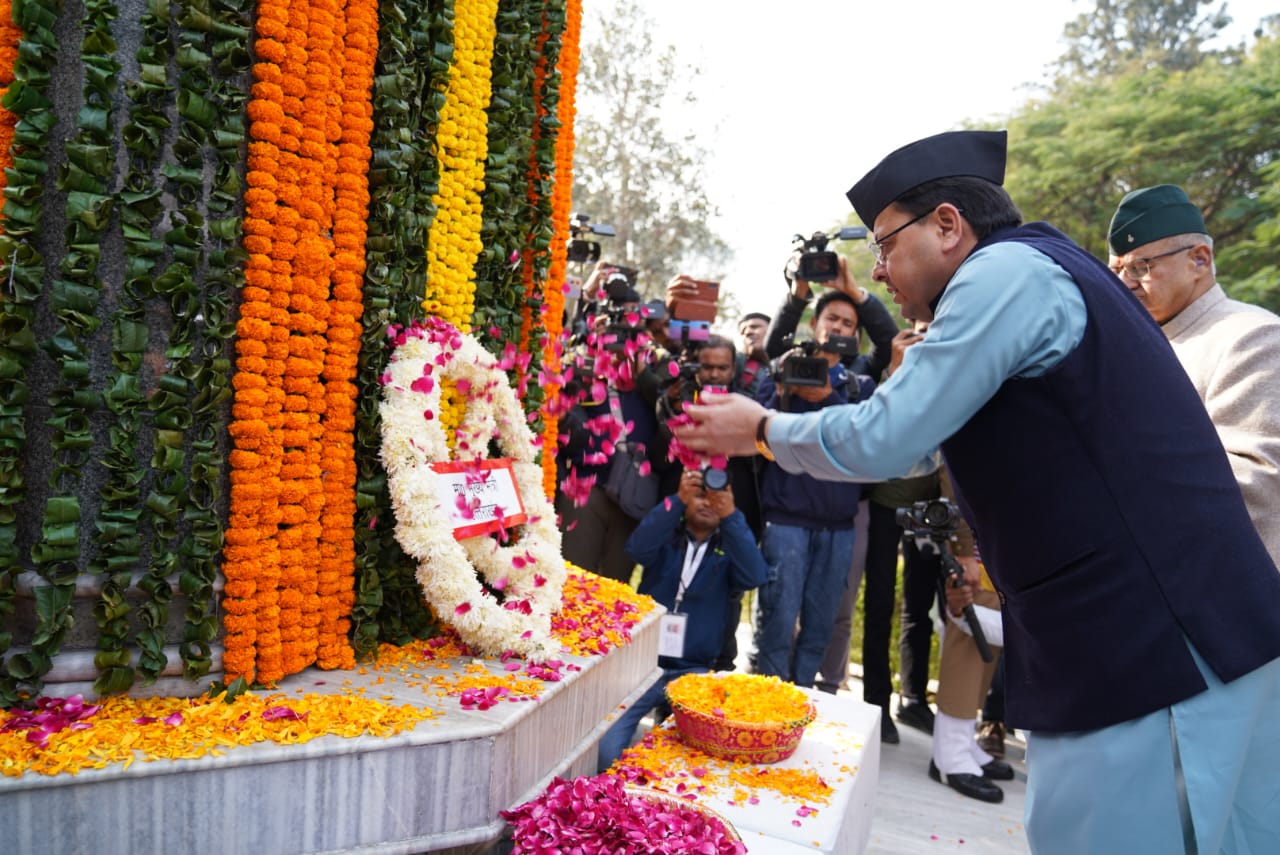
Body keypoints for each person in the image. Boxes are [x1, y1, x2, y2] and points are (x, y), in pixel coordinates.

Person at [674, 129, 1280, 853]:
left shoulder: (1005, 274)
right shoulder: (1031, 274)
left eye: (885, 244)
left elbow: (889, 436)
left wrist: (763, 429)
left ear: (949, 225)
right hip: (1148, 644)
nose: (879, 268)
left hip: (1157, 653)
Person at [1108, 184, 1280, 569]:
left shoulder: (1250, 336)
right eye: (1116, 270)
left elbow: (1255, 484)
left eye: (1141, 267)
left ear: (1199, 260)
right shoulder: (1141, 345)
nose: (1124, 284)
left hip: (1238, 593)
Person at [595, 468, 768, 771]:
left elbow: (755, 575)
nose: (706, 503)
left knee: (680, 761)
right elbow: (636, 548)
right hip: (644, 666)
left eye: (716, 499)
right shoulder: (666, 537)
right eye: (699, 495)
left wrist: (731, 517)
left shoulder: (729, 550)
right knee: (606, 751)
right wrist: (676, 500)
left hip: (694, 669)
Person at [750, 289, 873, 688]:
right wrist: (784, 384)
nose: (837, 327)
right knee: (777, 619)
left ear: (855, 336)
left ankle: (802, 702)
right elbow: (758, 426)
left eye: (848, 323)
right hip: (786, 520)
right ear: (815, 325)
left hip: (838, 525)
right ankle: (765, 704)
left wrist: (828, 398)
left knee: (820, 625)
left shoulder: (859, 387)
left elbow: (864, 438)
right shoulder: (785, 369)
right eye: (831, 319)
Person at [556, 263, 665, 582]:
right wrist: (590, 343)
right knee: (574, 579)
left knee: (615, 583)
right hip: (587, 487)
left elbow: (670, 407)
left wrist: (642, 368)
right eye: (616, 317)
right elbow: (562, 407)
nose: (622, 326)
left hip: (635, 488)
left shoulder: (656, 363)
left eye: (631, 317)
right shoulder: (581, 359)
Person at [734, 311, 771, 399]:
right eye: (742, 332)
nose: (747, 332)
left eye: (754, 327)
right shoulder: (736, 363)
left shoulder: (788, 363)